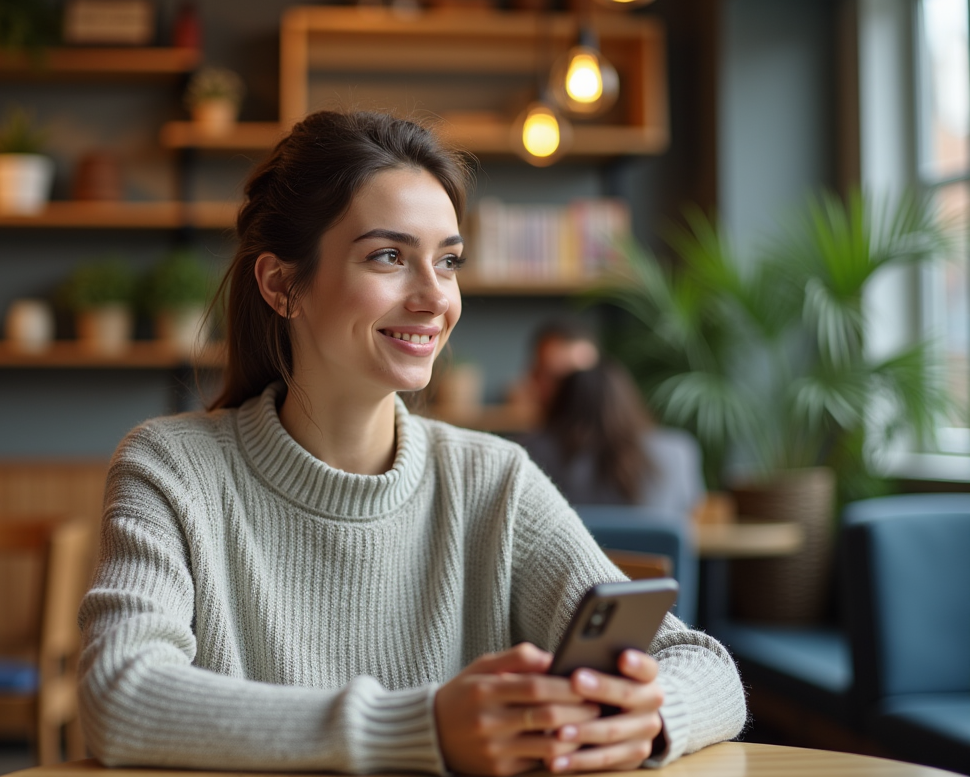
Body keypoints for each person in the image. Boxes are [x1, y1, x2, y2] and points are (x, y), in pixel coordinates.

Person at [77, 110, 745, 775]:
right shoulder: (171, 468)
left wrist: (649, 719)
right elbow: (120, 693)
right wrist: (419, 727)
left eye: (448, 261)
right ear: (282, 285)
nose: (434, 298)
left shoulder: (493, 480)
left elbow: (704, 668)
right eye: (389, 257)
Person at [519, 357, 706, 521]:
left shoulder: (531, 453)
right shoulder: (678, 451)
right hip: (659, 561)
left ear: (563, 404)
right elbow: (691, 513)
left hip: (570, 562)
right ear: (629, 400)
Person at [507, 319, 600, 426]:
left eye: (585, 377)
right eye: (556, 377)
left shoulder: (619, 439)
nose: (575, 388)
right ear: (534, 375)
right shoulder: (529, 440)